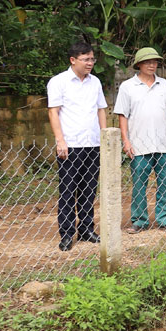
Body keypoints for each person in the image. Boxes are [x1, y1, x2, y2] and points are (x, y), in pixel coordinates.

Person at [46, 41, 107, 251]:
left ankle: (87, 229)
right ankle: (67, 233)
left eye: (92, 59)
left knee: (89, 189)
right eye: (86, 59)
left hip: (92, 144)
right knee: (68, 190)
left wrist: (104, 137)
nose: (90, 63)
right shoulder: (59, 82)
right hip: (70, 145)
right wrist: (60, 140)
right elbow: (53, 112)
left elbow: (101, 110)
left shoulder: (95, 82)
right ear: (73, 60)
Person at [115, 47, 166, 234]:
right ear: (139, 64)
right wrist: (126, 141)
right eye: (147, 62)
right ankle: (139, 220)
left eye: (154, 62)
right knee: (139, 184)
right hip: (138, 144)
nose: (152, 65)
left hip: (163, 142)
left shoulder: (165, 84)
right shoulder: (128, 87)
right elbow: (122, 115)